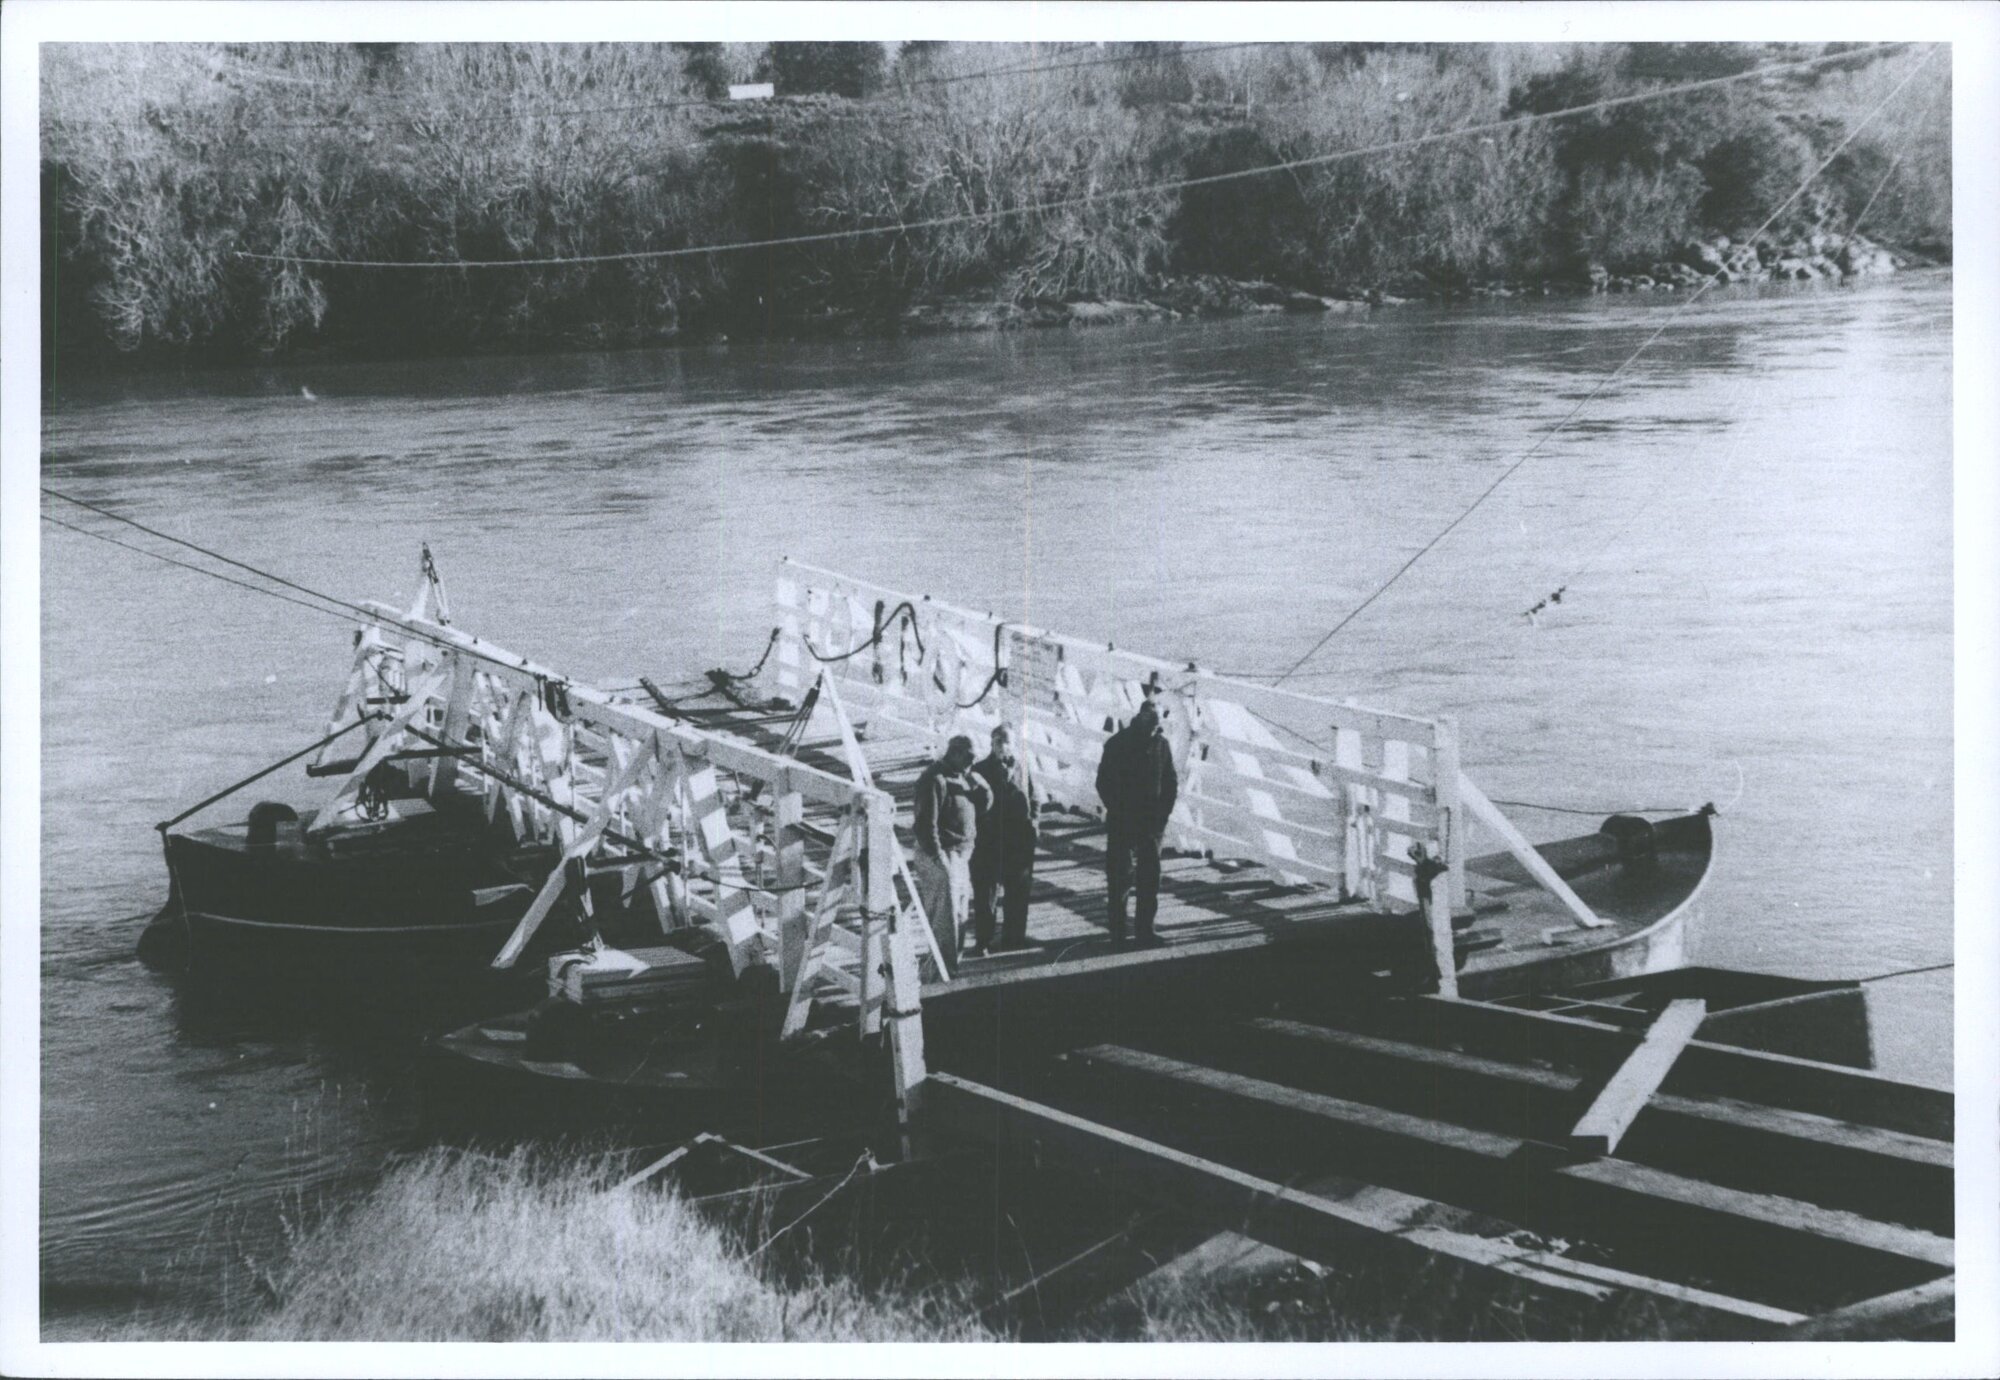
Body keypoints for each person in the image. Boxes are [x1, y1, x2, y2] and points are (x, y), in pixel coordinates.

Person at [1094, 696, 1178, 946]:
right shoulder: (1117, 744)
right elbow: (1103, 782)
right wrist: (1119, 810)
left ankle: (1145, 931)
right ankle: (1118, 934)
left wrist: (1162, 816)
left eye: (1158, 724)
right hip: (1123, 821)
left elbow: (1171, 783)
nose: (1155, 728)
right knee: (1119, 880)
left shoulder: (1162, 745)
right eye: (1151, 722)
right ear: (1140, 717)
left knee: (1149, 880)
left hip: (1152, 825)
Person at [911, 733, 990, 966]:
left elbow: (984, 807)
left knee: (960, 917)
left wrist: (982, 787)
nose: (972, 762)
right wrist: (938, 858)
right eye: (969, 757)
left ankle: (951, 969)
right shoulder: (934, 779)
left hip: (961, 856)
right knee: (945, 922)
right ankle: (940, 975)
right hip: (943, 854)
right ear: (954, 753)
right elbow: (926, 824)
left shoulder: (962, 776)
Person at [969, 724, 1038, 954]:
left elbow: (1034, 797)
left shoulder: (1021, 767)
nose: (1004, 746)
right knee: (986, 894)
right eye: (999, 741)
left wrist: (1034, 824)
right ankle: (984, 941)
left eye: (1008, 741)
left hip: (1017, 841)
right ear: (992, 743)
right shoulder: (978, 770)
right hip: (989, 842)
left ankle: (1014, 937)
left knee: (1018, 891)